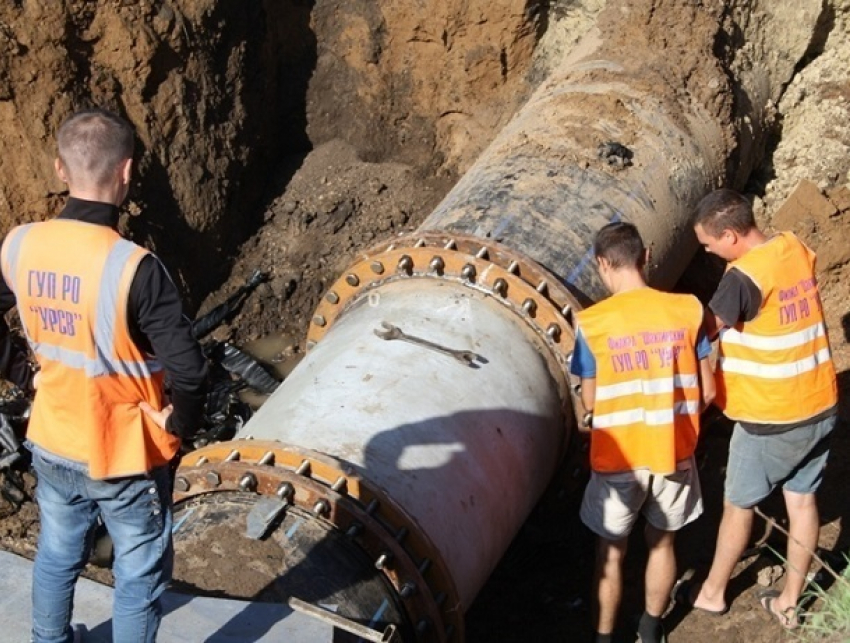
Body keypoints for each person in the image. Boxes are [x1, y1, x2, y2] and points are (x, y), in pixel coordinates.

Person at [0, 108, 208, 643]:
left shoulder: (20, 245)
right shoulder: (135, 268)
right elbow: (189, 368)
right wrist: (178, 423)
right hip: (122, 453)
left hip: (50, 439)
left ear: (60, 170)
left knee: (56, 553)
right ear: (127, 172)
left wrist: (23, 374)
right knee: (137, 576)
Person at [679, 188, 838, 630]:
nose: (708, 252)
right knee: (803, 502)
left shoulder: (742, 279)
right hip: (820, 403)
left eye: (709, 244)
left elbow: (706, 332)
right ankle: (788, 601)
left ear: (729, 236)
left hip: (772, 416)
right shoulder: (791, 247)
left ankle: (711, 592)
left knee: (738, 505)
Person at [570, 222, 715, 643]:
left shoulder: (594, 324)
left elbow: (593, 402)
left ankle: (604, 636)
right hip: (674, 451)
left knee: (611, 553)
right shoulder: (688, 310)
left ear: (602, 263)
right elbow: (706, 390)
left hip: (618, 461)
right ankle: (651, 629)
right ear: (646, 256)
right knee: (662, 543)